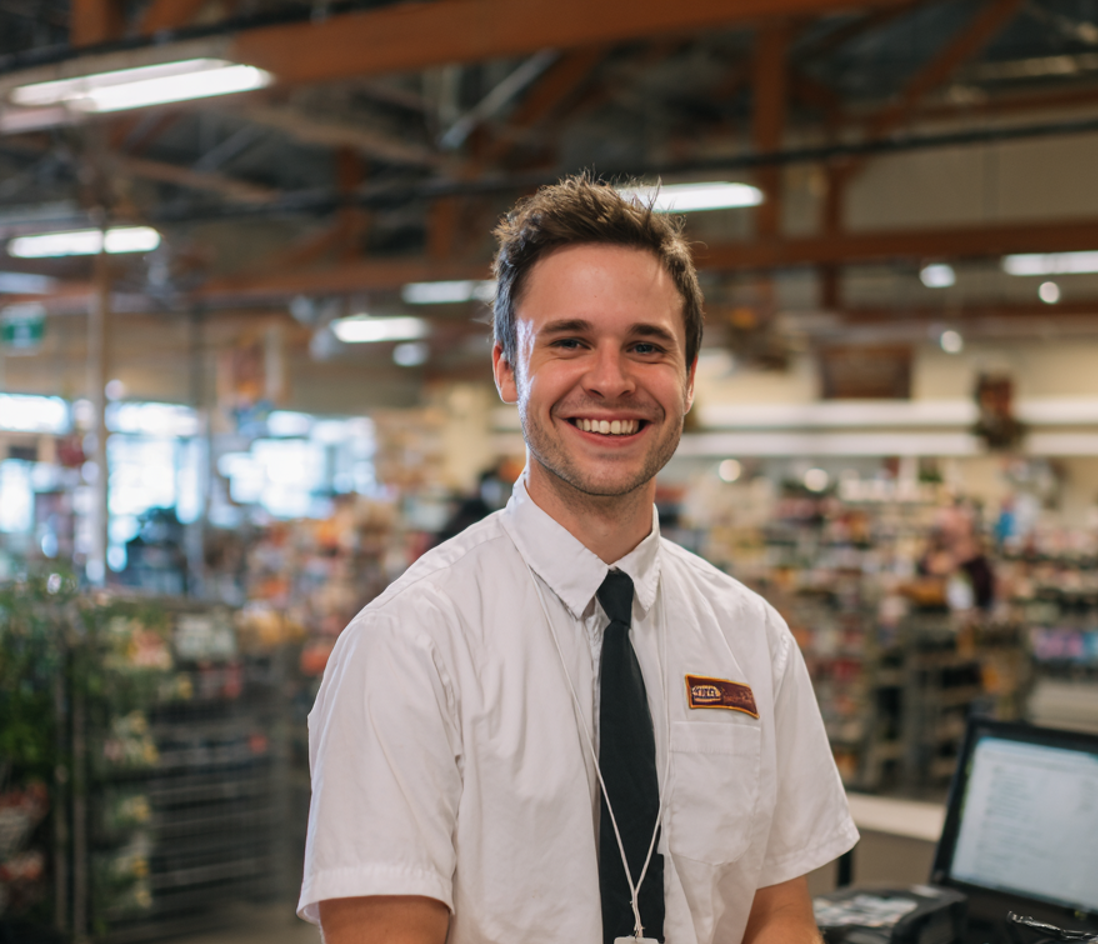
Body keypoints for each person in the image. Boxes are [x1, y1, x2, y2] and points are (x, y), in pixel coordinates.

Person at [299, 175, 858, 944]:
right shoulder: (411, 645)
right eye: (569, 341)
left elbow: (777, 915)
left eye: (646, 346)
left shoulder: (751, 639)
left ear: (689, 377)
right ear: (506, 368)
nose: (610, 379)